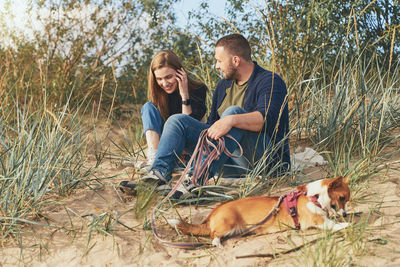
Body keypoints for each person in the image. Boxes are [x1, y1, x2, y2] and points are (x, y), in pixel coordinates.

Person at [135, 34, 290, 199]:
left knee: (233, 112)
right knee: (177, 121)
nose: (216, 66)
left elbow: (265, 120)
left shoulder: (270, 81)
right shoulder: (224, 85)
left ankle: (195, 180)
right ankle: (159, 174)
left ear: (236, 60)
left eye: (219, 60)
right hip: (228, 162)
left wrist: (230, 120)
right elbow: (211, 129)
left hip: (264, 160)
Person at [136, 50, 207, 169]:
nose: (164, 83)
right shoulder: (159, 95)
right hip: (167, 148)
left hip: (190, 151)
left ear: (180, 72)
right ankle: (155, 159)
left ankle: (162, 162)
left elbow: (188, 125)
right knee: (148, 107)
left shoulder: (198, 90)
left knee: (179, 121)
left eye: (169, 77)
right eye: (159, 79)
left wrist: (184, 94)